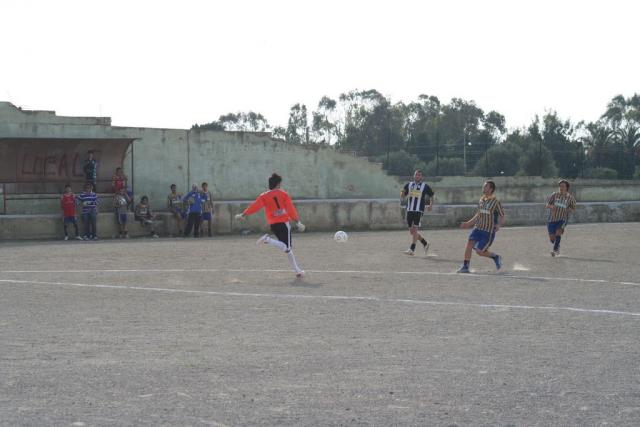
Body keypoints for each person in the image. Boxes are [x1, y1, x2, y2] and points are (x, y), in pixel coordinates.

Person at [235, 173, 306, 278]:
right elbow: (290, 209)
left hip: (273, 224)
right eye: (280, 183)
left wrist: (243, 214)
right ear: (278, 184)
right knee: (287, 248)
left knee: (287, 249)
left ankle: (297, 271)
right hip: (283, 223)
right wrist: (297, 221)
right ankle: (268, 240)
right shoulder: (283, 194)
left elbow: (255, 206)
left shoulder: (264, 196)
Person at [457, 180, 504, 273]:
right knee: (469, 243)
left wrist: (498, 225)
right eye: (483, 186)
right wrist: (468, 223)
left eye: (486, 186)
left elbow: (502, 215)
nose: (483, 187)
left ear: (491, 189)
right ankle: (465, 266)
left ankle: (495, 257)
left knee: (479, 251)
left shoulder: (496, 202)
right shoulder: (481, 199)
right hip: (477, 228)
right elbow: (478, 214)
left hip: (488, 231)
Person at [400, 169, 434, 256]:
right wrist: (402, 194)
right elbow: (403, 195)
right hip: (409, 210)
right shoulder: (409, 184)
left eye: (419, 175)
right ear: (414, 176)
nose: (417, 176)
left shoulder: (425, 186)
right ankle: (425, 243)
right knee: (412, 232)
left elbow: (432, 195)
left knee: (415, 230)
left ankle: (412, 249)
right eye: (416, 174)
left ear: (421, 177)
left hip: (418, 210)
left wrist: (430, 205)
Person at [545, 179, 577, 257]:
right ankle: (557, 245)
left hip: (562, 219)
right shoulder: (554, 195)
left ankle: (555, 250)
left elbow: (573, 209)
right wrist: (551, 206)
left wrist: (569, 209)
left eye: (563, 186)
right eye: (560, 186)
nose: (561, 188)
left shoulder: (570, 198)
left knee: (558, 232)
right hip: (551, 219)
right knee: (552, 238)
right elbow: (547, 205)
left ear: (566, 188)